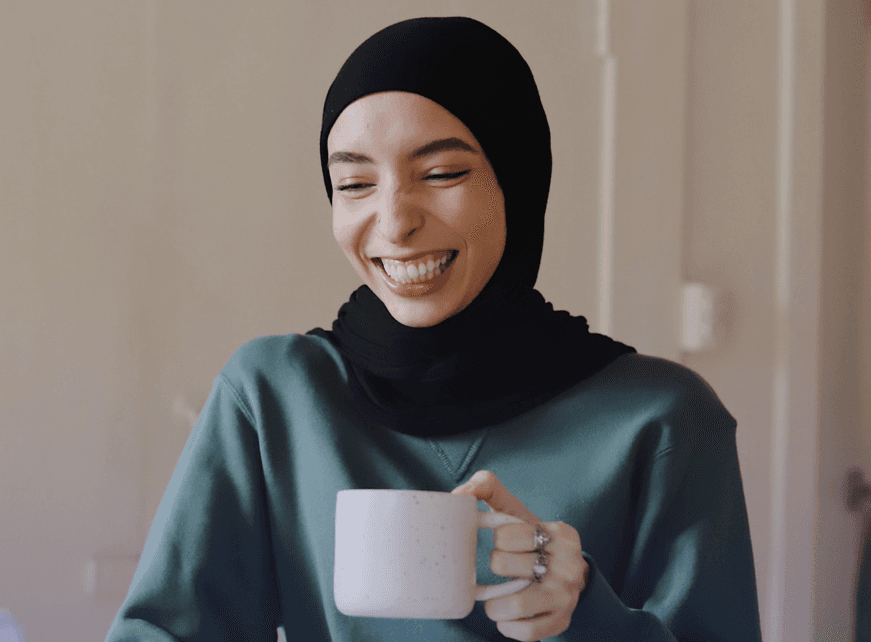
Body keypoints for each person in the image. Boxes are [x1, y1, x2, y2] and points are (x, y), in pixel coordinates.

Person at [105, 16, 762, 642]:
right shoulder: (273, 396)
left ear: (518, 182)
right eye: (354, 183)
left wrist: (583, 613)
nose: (395, 223)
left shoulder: (665, 420)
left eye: (442, 173)